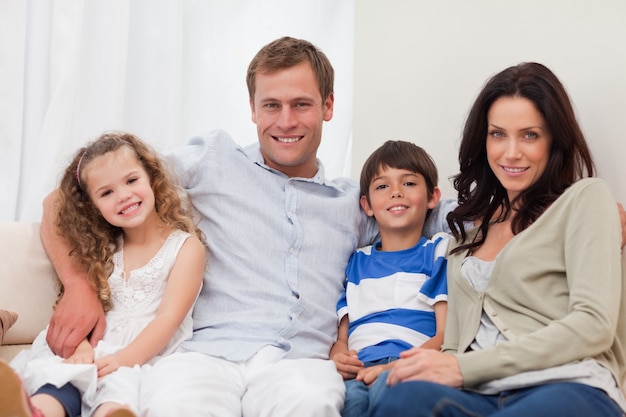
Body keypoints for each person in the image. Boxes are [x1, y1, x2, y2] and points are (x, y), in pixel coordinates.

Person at [36, 37, 456, 417]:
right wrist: (78, 285)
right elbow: (62, 201)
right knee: (177, 404)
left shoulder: (355, 202)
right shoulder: (213, 160)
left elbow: (450, 214)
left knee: (313, 403)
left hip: (300, 362)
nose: (286, 121)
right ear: (253, 109)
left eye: (301, 105)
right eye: (271, 105)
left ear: (328, 107)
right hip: (206, 355)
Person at [371, 62, 626, 417]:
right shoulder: (468, 235)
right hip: (478, 393)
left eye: (529, 135)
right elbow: (456, 346)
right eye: (497, 134)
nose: (510, 153)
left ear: (554, 140)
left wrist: (463, 369)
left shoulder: (584, 200)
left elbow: (594, 325)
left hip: (567, 384)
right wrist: (414, 368)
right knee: (399, 400)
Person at [5, 132, 206, 417]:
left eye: (132, 180)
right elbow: (80, 311)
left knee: (119, 389)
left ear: (152, 179)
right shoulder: (103, 247)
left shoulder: (185, 248)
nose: (123, 196)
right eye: (106, 192)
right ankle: (33, 412)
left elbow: (168, 319)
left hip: (142, 355)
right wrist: (81, 348)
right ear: (92, 206)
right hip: (90, 349)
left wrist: (124, 358)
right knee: (60, 382)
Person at [331, 140, 450, 417]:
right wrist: (338, 356)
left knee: (391, 397)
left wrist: (395, 367)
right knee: (349, 405)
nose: (396, 193)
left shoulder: (438, 252)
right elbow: (342, 337)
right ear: (367, 205)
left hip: (410, 364)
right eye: (382, 186)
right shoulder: (356, 261)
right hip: (359, 369)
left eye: (408, 183)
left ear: (432, 197)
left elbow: (447, 335)